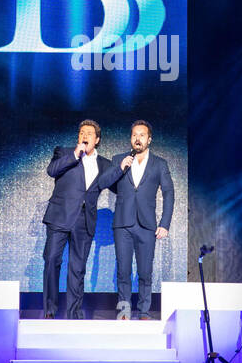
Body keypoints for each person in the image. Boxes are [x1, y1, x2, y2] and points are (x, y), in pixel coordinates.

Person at [41, 119, 126, 319]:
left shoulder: (105, 164)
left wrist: (123, 169)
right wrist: (74, 154)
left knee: (77, 268)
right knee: (52, 260)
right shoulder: (64, 152)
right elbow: (51, 170)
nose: (84, 136)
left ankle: (74, 313)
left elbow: (117, 186)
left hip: (84, 220)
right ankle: (49, 311)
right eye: (81, 132)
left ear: (97, 139)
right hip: (60, 217)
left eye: (89, 133)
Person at [105, 120, 175, 320]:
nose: (138, 138)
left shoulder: (160, 163)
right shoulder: (119, 159)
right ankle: (124, 312)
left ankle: (144, 311)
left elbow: (169, 193)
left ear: (149, 139)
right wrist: (120, 168)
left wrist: (164, 223)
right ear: (131, 138)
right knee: (123, 271)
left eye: (142, 135)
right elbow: (104, 182)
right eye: (134, 135)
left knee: (145, 272)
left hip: (147, 225)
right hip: (123, 224)